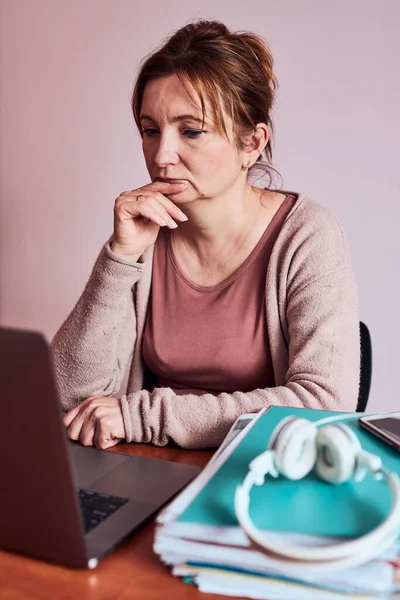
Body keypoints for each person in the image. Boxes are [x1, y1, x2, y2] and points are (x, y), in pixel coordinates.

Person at [51, 20, 360, 450]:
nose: (161, 156)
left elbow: (323, 404)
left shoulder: (308, 236)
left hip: (255, 474)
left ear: (251, 144)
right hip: (146, 467)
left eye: (191, 131)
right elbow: (69, 395)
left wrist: (143, 416)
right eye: (150, 130)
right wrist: (119, 258)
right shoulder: (144, 233)